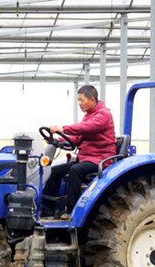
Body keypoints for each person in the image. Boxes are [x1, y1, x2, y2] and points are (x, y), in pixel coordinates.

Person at [43, 85, 115, 218]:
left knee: (75, 170)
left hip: (100, 159)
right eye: (78, 101)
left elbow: (86, 128)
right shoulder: (88, 116)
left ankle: (72, 210)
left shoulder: (104, 115)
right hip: (86, 158)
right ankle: (47, 209)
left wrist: (63, 129)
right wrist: (58, 141)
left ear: (92, 100)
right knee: (54, 171)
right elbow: (77, 138)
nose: (80, 104)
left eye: (82, 100)